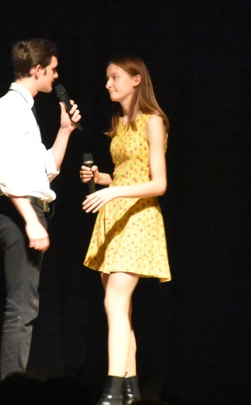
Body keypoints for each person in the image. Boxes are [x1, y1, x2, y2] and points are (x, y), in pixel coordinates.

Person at [0, 38, 81, 380]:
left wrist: (65, 131)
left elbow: (45, 170)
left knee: (1, 303)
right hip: (18, 213)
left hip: (18, 211)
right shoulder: (11, 109)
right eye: (52, 70)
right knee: (22, 307)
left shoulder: (23, 110)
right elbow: (9, 176)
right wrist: (31, 222)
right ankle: (9, 389)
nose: (56, 76)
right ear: (37, 70)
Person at [79, 56, 171, 405]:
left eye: (115, 77)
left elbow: (158, 183)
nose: (108, 84)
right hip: (115, 216)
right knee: (121, 308)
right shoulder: (119, 123)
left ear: (136, 80)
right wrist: (102, 178)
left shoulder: (153, 121)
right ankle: (131, 390)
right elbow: (125, 172)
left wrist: (114, 191)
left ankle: (113, 389)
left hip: (138, 217)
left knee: (114, 301)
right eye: (107, 78)